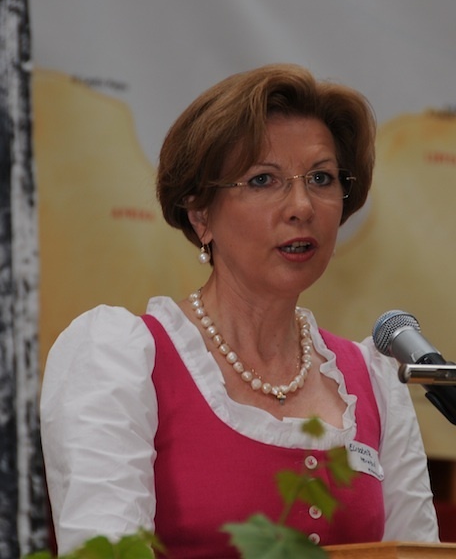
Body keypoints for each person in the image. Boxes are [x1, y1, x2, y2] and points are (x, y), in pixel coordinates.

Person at [40, 64, 439, 557]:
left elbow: (419, 553)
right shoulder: (120, 359)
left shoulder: (375, 382)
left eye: (321, 178)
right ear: (200, 214)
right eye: (263, 179)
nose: (302, 206)